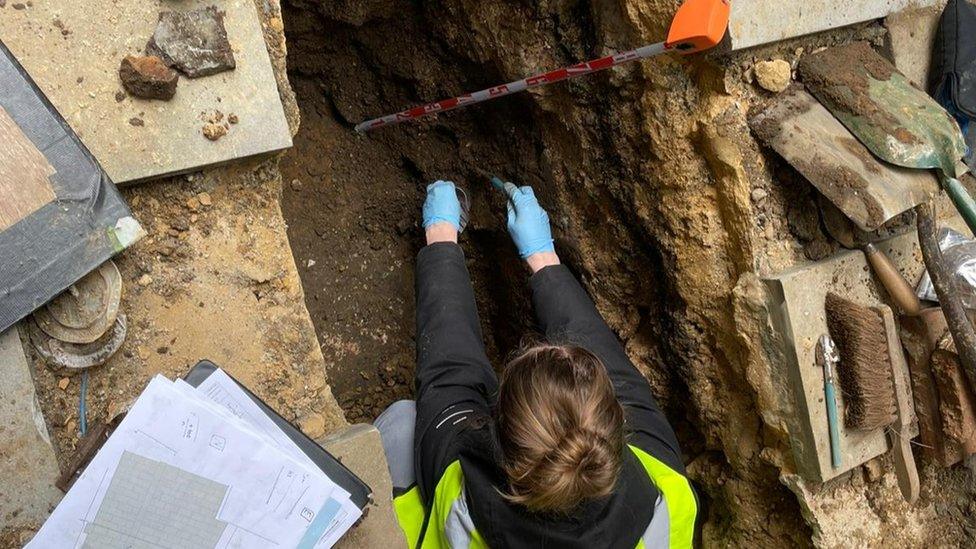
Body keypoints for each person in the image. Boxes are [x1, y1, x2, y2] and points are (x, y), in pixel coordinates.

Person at [373, 180, 697, 548]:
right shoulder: (668, 493)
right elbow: (620, 372)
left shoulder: (457, 501)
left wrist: (441, 239)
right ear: (618, 422)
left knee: (403, 425)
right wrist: (544, 259)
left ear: (493, 431)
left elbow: (450, 383)